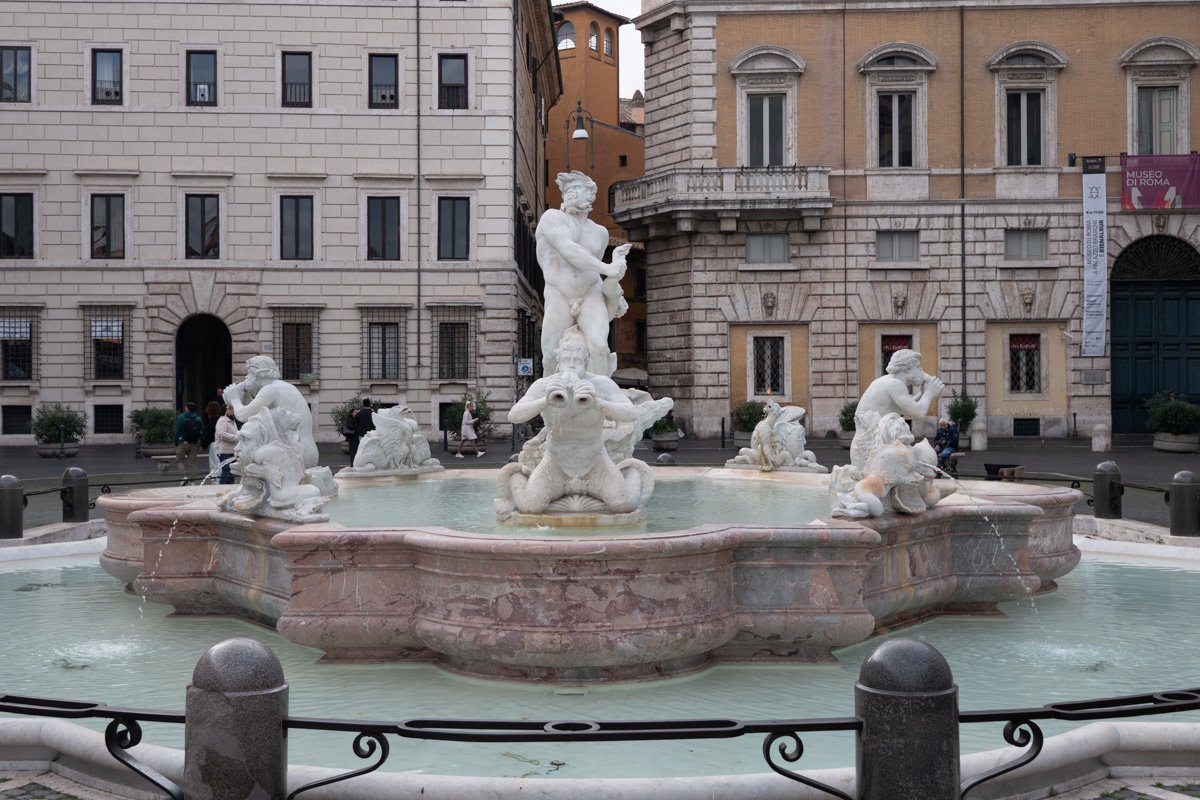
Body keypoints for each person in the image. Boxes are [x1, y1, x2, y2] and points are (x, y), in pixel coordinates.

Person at [536, 171, 632, 377]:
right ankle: (552, 405)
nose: (569, 193)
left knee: (599, 347)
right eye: (567, 190)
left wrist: (614, 294)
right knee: (550, 357)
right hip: (559, 294)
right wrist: (607, 268)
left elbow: (593, 270)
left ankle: (600, 403)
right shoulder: (552, 218)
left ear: (590, 195)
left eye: (576, 188)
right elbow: (570, 251)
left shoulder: (600, 233)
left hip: (590, 293)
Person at [223, 355, 318, 468]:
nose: (246, 377)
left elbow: (243, 416)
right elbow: (254, 415)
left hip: (298, 454)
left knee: (256, 457)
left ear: (258, 374)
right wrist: (245, 395)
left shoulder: (270, 389)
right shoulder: (283, 386)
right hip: (307, 452)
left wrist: (234, 398)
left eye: (249, 373)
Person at [173, 402, 205, 480]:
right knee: (192, 462)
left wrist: (176, 442)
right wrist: (202, 444)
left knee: (179, 460)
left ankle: (184, 477)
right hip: (194, 443)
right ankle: (192, 480)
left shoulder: (181, 417)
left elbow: (177, 431)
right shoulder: (198, 418)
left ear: (187, 408)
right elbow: (202, 432)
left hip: (183, 442)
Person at [214, 404, 239, 484]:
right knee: (226, 471)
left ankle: (230, 489)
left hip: (232, 451)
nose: (232, 410)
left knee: (232, 472)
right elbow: (221, 434)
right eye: (230, 409)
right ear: (225, 410)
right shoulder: (222, 420)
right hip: (224, 451)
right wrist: (236, 437)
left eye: (233, 408)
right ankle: (222, 488)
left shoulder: (233, 421)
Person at [349, 398, 375, 463]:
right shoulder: (373, 413)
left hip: (361, 435)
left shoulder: (359, 413)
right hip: (371, 435)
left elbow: (353, 423)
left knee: (362, 450)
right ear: (370, 404)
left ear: (363, 404)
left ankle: (362, 462)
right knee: (370, 450)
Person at [203, 400, 222, 476]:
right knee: (220, 463)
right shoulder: (221, 420)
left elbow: (208, 435)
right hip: (222, 444)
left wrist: (203, 445)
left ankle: (216, 483)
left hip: (214, 444)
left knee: (214, 465)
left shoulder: (211, 422)